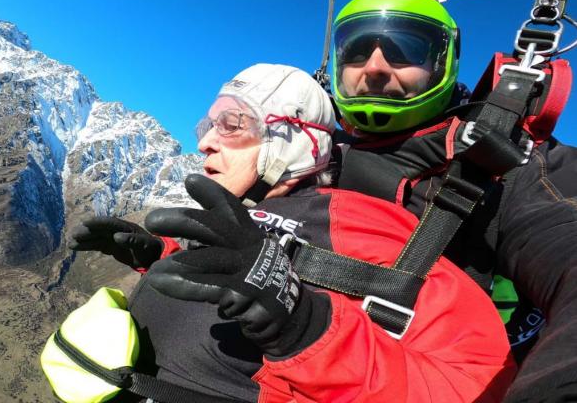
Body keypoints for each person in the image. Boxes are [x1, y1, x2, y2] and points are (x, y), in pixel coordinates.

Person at [69, 63, 514, 403]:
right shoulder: (240, 216)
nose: (204, 141)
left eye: (232, 124)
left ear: (293, 141)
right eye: (208, 125)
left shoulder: (361, 223)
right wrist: (159, 256)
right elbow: (243, 282)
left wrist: (304, 327)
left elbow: (476, 383)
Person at [329, 0, 577, 402]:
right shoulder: (310, 161)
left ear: (441, 63)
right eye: (355, 52)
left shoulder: (509, 165)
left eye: (402, 49)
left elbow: (561, 243)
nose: (373, 67)